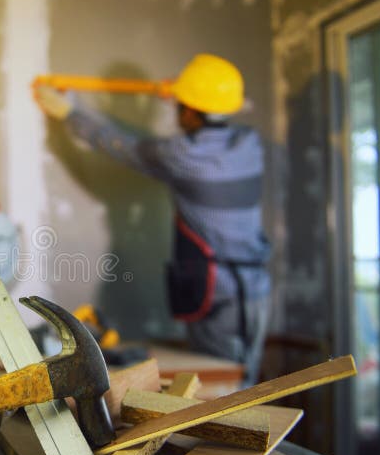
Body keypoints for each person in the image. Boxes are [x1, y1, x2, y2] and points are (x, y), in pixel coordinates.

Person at [34, 54, 271, 385]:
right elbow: (223, 109)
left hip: (219, 292)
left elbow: (120, 146)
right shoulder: (250, 144)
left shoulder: (182, 155)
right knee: (242, 379)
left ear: (188, 110)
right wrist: (185, 94)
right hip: (256, 288)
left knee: (220, 386)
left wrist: (69, 112)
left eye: (179, 107)